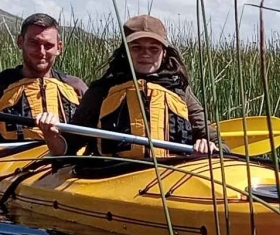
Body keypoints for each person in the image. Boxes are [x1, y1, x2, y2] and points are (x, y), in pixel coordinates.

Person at [42, 14, 214, 158]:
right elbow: (66, 148)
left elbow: (217, 143)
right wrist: (50, 135)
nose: (145, 54)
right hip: (112, 176)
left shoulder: (179, 90)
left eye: (153, 49)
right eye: (137, 48)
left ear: (163, 53)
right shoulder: (102, 91)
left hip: (171, 175)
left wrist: (207, 146)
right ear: (125, 51)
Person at [0, 12, 87, 149]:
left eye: (48, 45)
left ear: (59, 48)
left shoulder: (76, 87)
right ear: (20, 42)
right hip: (11, 164)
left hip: (66, 165)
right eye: (34, 43)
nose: (41, 52)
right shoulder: (2, 85)